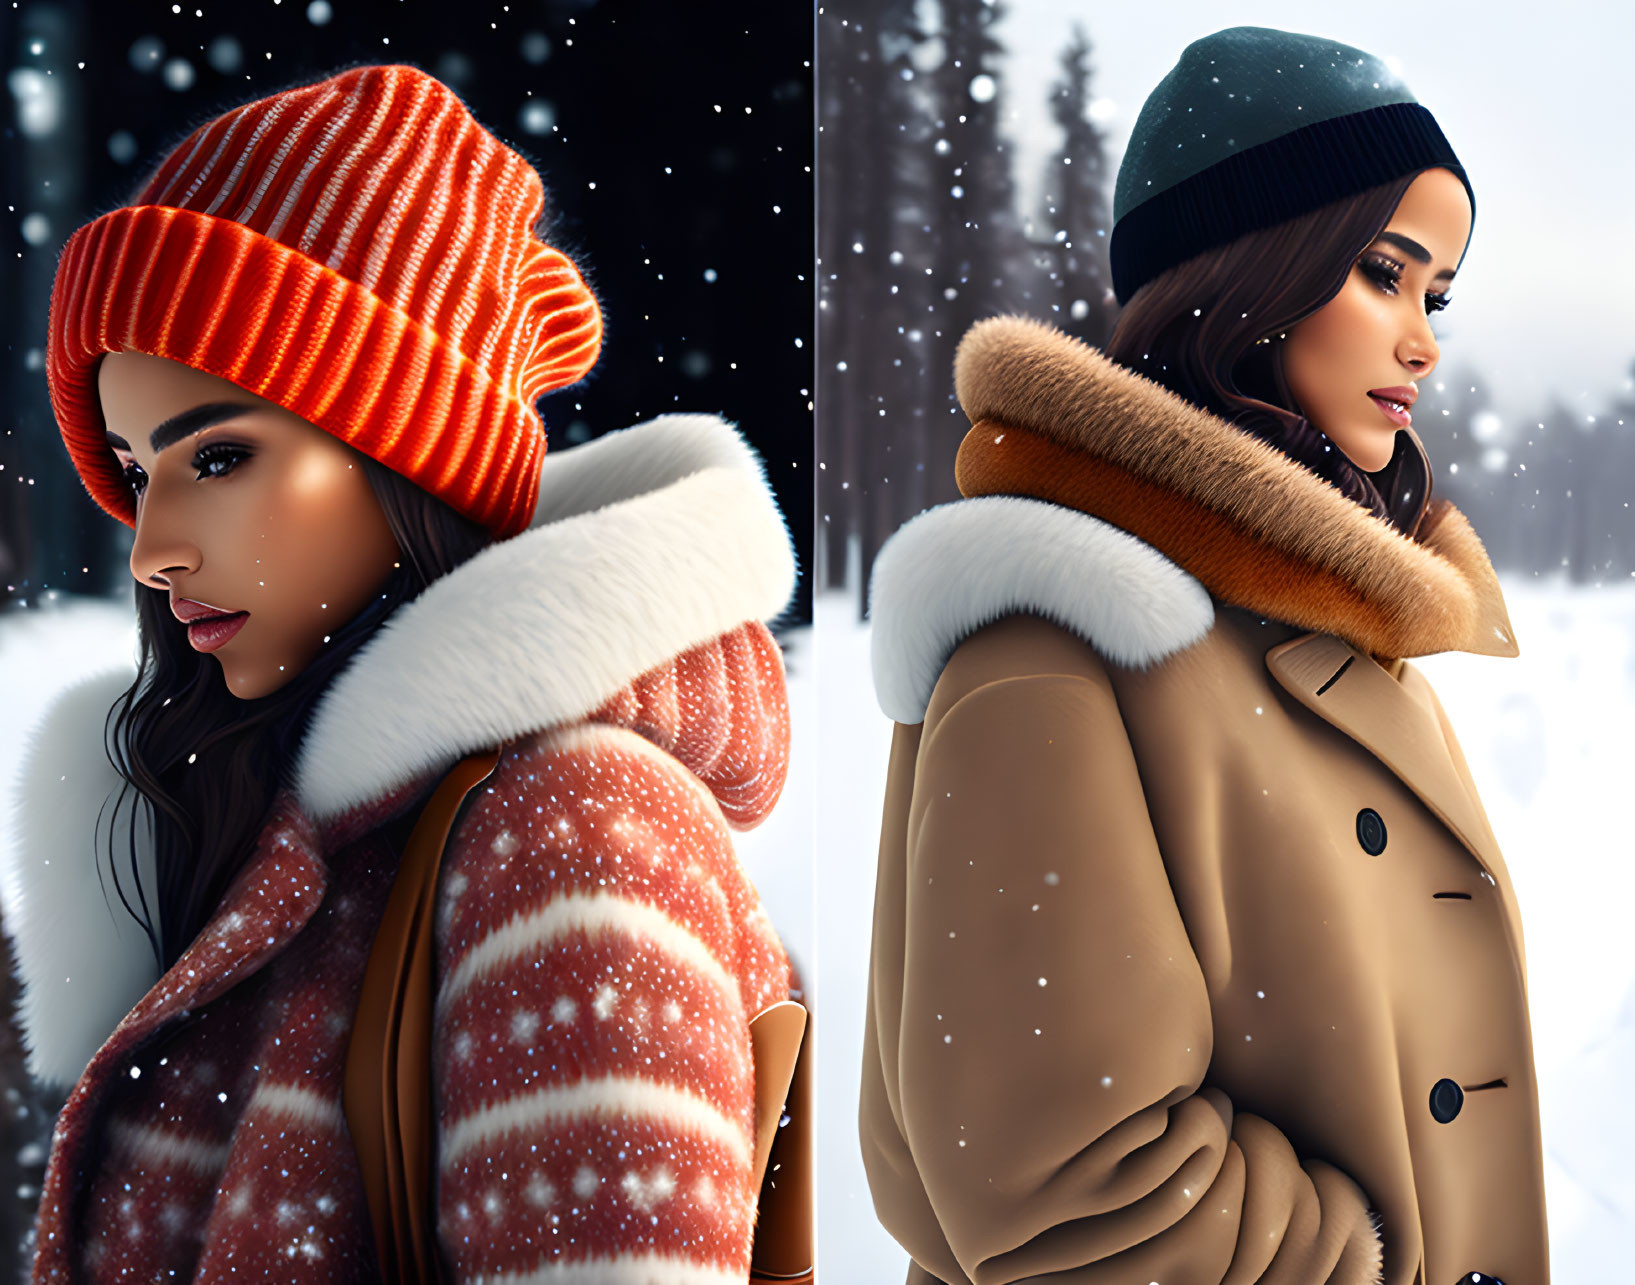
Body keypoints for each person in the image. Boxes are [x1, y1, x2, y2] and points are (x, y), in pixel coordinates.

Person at [3, 63, 800, 1281]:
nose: (154, 548)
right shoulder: (247, 809)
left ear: (406, 454)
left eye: (216, 456)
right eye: (132, 467)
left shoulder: (574, 833)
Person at [859, 26, 1542, 1285]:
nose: (1422, 342)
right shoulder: (1059, 645)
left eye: (1435, 295)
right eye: (1383, 273)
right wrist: (1377, 1263)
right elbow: (1063, 1183)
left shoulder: (1333, 628)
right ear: (1250, 274)